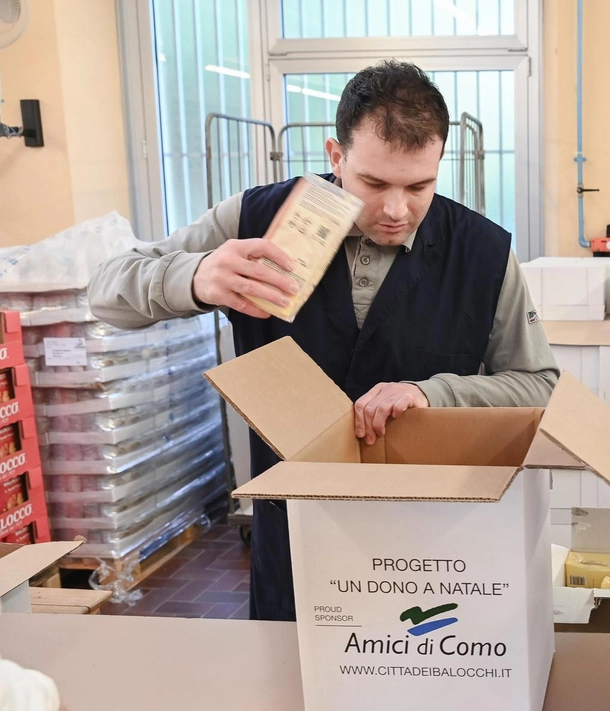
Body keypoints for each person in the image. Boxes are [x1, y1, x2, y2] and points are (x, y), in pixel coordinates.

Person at [88, 61, 559, 622]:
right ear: (335, 157)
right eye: (374, 183)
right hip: (293, 534)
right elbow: (106, 292)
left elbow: (538, 386)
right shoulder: (256, 218)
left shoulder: (483, 253)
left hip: (430, 548)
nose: (395, 210)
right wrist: (192, 276)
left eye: (419, 186)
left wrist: (436, 395)